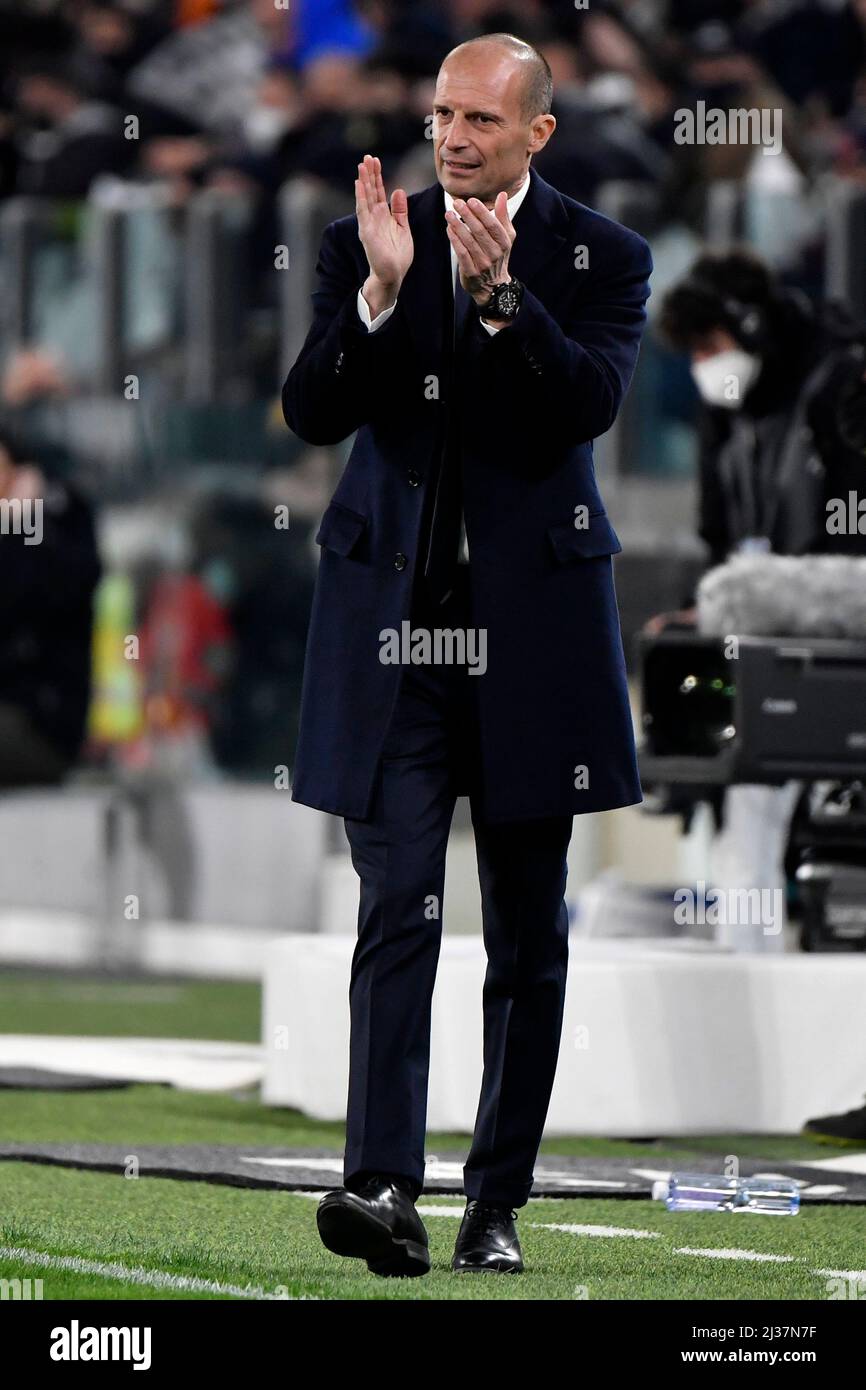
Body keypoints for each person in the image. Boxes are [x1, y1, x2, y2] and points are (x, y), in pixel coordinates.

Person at [282, 32, 652, 1277]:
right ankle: (383, 1184)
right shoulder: (364, 237)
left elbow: (582, 408)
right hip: (396, 646)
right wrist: (383, 300)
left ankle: (495, 1200)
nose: (448, 136)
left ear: (535, 133)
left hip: (529, 646)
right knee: (395, 905)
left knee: (525, 932)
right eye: (439, 112)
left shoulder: (605, 257)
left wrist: (503, 303)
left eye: (478, 121)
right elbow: (313, 407)